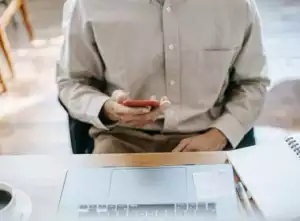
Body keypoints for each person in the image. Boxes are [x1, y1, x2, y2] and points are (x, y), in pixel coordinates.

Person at [56, 0, 270, 154]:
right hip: (121, 140)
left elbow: (252, 83)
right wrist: (107, 109)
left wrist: (219, 135)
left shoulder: (237, 6)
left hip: (209, 138)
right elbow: (73, 82)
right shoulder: (86, 5)